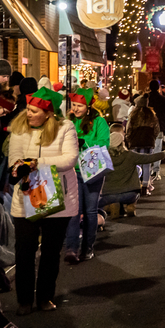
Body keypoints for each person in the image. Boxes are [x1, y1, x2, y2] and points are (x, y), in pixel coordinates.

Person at [6, 87, 77, 315]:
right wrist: (18, 167)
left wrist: (39, 161)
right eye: (27, 109)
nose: (28, 114)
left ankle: (45, 296)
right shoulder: (19, 128)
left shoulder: (65, 127)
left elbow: (69, 159)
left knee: (50, 251)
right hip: (26, 196)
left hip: (57, 195)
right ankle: (24, 300)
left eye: (34, 110)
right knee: (24, 250)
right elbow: (13, 159)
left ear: (48, 113)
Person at [64, 88, 110, 264]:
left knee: (90, 212)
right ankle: (72, 248)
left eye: (79, 106)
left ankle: (88, 248)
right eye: (74, 105)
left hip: (93, 171)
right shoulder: (69, 121)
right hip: (73, 170)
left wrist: (86, 143)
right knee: (73, 211)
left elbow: (104, 143)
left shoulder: (99, 122)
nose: (75, 109)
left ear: (88, 106)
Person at [100, 129, 165, 218]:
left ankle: (113, 205)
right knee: (132, 193)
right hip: (129, 194)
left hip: (110, 195)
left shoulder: (103, 158)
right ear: (122, 143)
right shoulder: (130, 155)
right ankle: (130, 206)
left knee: (110, 199)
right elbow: (149, 158)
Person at [126, 95, 160, 195]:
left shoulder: (133, 115)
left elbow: (129, 129)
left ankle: (136, 184)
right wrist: (153, 137)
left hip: (135, 142)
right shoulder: (152, 115)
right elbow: (156, 129)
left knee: (136, 164)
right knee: (147, 165)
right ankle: (145, 185)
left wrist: (128, 139)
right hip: (148, 142)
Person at [146, 81, 165, 182]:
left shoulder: (147, 99)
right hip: (160, 126)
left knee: (148, 149)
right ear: (158, 88)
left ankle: (147, 170)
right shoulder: (163, 99)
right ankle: (156, 171)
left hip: (147, 127)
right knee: (157, 148)